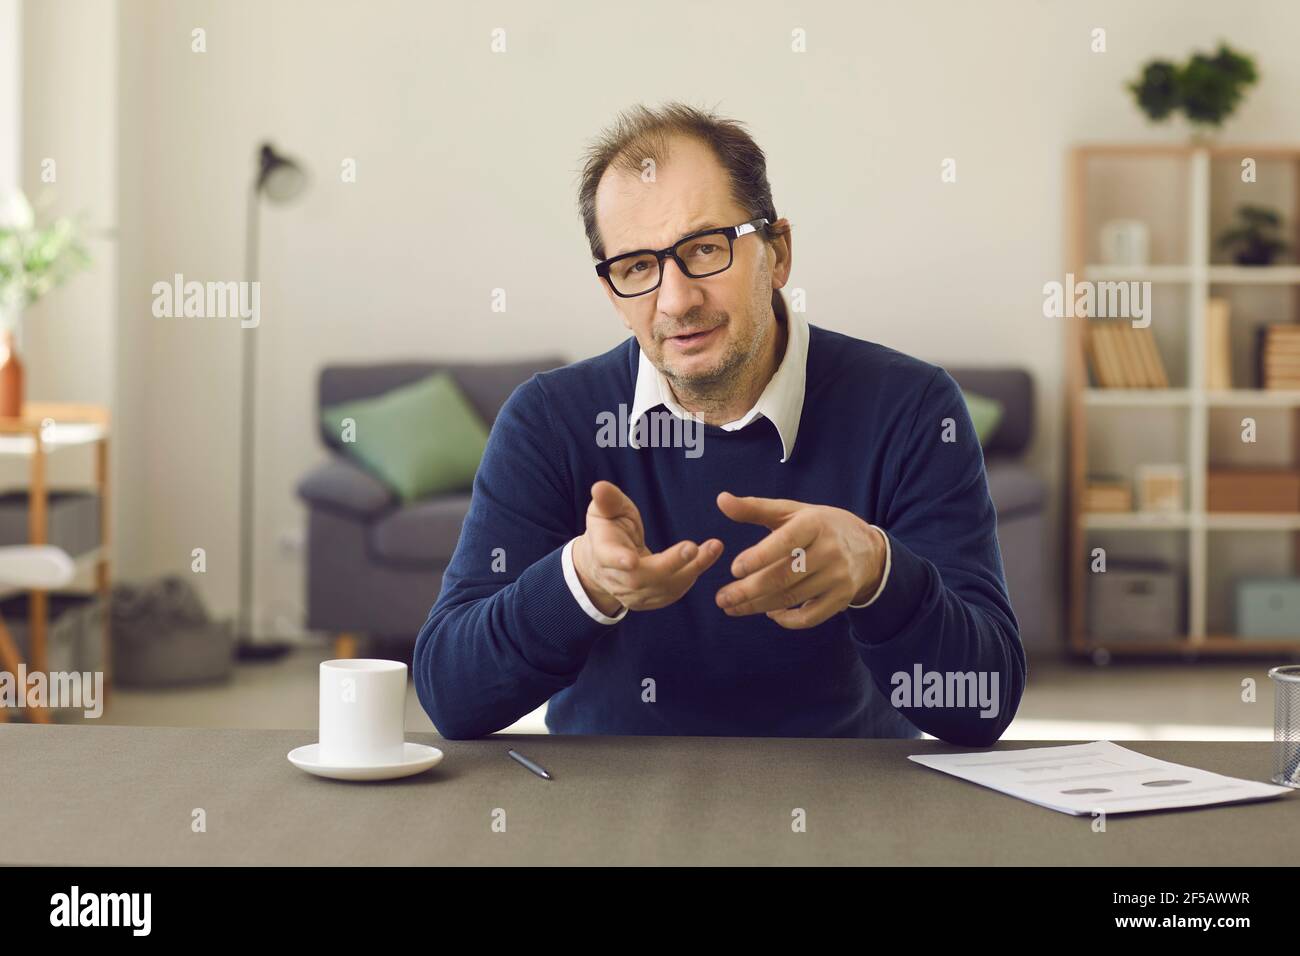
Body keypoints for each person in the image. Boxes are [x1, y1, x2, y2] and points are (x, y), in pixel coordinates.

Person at [414, 102, 1025, 744]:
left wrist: (879, 572)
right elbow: (451, 697)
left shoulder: (915, 409)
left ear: (777, 253)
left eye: (705, 249)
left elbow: (982, 707)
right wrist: (583, 581)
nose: (676, 300)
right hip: (609, 815)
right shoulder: (549, 421)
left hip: (847, 812)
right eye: (637, 268)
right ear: (613, 295)